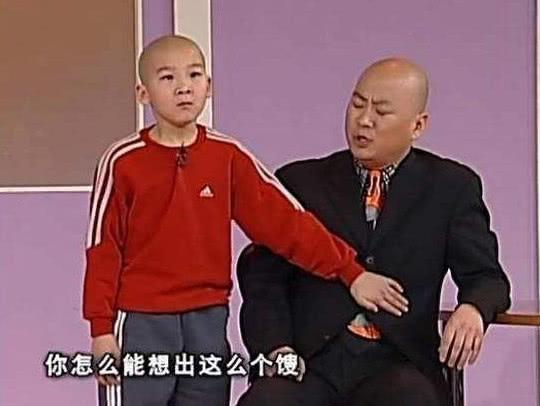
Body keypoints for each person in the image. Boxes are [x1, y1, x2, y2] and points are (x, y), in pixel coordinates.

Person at [82, 35, 408, 406]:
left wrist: (352, 273)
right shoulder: (122, 161)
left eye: (194, 75)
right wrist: (101, 330)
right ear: (143, 93)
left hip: (207, 320)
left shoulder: (228, 156)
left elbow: (288, 224)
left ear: (209, 87)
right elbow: (102, 249)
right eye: (168, 78)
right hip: (141, 322)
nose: (184, 88)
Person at [237, 58, 511, 406]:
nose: (364, 120)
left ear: (417, 125)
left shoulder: (451, 187)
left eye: (381, 111)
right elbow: (262, 278)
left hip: (397, 362)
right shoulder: (300, 182)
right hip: (310, 362)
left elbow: (487, 278)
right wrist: (276, 348)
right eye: (357, 104)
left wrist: (473, 308)